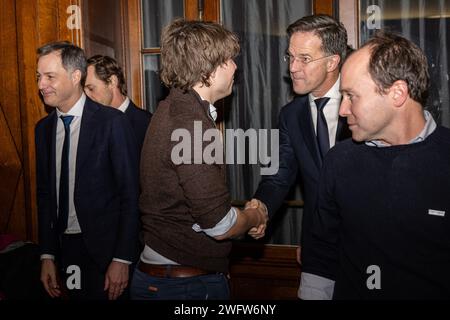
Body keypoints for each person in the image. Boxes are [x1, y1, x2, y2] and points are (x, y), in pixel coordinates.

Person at [299, 32, 450, 299]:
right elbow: (321, 255)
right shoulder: (339, 161)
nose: (342, 110)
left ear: (397, 93)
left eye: (351, 96)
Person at [131, 19, 267, 300]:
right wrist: (255, 215)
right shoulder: (191, 124)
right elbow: (219, 225)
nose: (235, 68)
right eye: (228, 60)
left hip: (167, 276)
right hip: (183, 285)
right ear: (209, 69)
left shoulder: (171, 109)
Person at [247, 14, 351, 276]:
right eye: (290, 57)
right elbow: (278, 175)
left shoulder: (364, 104)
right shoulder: (289, 115)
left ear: (332, 62)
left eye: (304, 59)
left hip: (368, 247)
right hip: (316, 249)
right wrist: (261, 206)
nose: (292, 67)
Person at [35, 41, 140, 300]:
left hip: (106, 255)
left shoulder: (112, 123)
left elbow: (131, 194)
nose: (40, 85)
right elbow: (45, 195)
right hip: (63, 251)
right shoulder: (43, 129)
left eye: (50, 76)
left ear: (75, 76)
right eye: (39, 77)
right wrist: (47, 254)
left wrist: (122, 258)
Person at [84, 55, 152, 152]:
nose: (87, 97)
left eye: (91, 89)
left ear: (112, 81)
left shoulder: (146, 123)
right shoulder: (89, 123)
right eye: (84, 92)